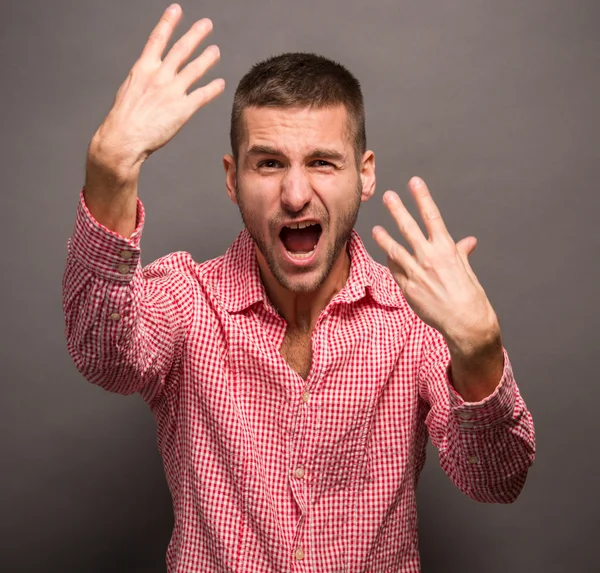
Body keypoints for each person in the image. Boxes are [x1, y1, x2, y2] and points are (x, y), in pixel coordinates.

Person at [63, 4, 536, 572]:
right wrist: (110, 169)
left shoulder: (414, 321)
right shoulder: (188, 301)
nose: (294, 194)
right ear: (232, 179)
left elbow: (498, 480)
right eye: (267, 163)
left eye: (321, 162)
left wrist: (480, 350)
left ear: (365, 175)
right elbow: (103, 355)